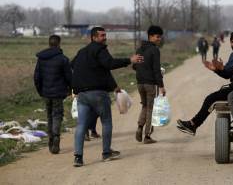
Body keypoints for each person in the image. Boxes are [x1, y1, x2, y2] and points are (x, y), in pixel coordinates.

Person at [71, 26, 143, 167]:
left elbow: (72, 66)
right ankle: (106, 153)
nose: (105, 38)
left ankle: (78, 157)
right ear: (94, 37)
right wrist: (130, 60)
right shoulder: (100, 49)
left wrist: (74, 85)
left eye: (105, 35)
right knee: (106, 122)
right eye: (102, 35)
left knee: (81, 125)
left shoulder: (81, 52)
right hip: (98, 94)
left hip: (82, 95)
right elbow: (110, 64)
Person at [177, 31, 233, 135]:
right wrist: (216, 70)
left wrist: (227, 68)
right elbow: (227, 75)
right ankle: (193, 124)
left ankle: (193, 124)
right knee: (210, 98)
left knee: (214, 98)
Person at [34, 35, 72, 154]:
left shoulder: (41, 58)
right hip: (58, 93)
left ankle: (51, 139)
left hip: (46, 92)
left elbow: (36, 77)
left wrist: (40, 90)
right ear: (59, 43)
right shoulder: (63, 59)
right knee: (57, 115)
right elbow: (69, 77)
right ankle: (56, 137)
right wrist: (70, 89)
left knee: (49, 116)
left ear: (49, 43)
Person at [133, 25, 166, 144]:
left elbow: (134, 66)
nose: (159, 39)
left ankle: (139, 127)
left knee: (144, 106)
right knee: (150, 109)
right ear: (150, 36)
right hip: (150, 84)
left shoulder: (140, 49)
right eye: (157, 37)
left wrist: (143, 69)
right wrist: (161, 86)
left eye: (160, 37)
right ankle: (147, 136)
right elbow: (156, 70)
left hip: (139, 83)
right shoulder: (154, 50)